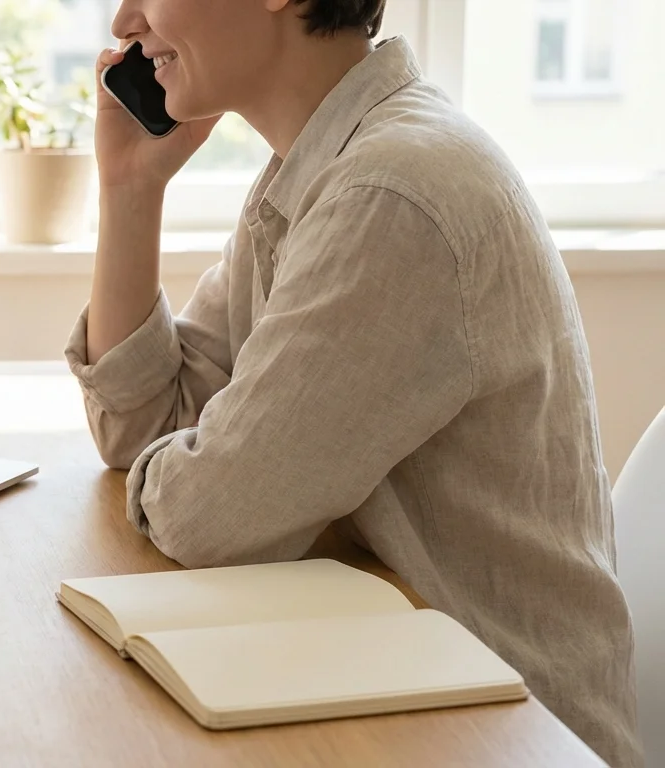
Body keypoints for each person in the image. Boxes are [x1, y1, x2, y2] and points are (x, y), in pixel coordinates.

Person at [64, 1, 642, 764]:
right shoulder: (322, 172)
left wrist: (206, 466)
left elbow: (213, 518)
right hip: (401, 688)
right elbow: (139, 427)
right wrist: (131, 189)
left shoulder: (393, 194)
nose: (123, 19)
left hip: (506, 732)